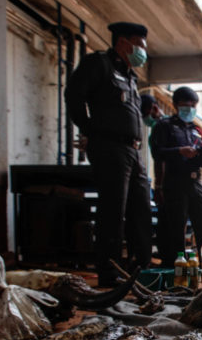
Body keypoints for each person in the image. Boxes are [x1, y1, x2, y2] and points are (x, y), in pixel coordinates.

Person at [65, 21, 152, 287]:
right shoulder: (99, 64)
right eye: (140, 46)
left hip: (133, 151)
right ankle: (109, 272)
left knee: (140, 210)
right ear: (124, 43)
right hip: (110, 148)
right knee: (113, 211)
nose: (142, 52)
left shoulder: (130, 75)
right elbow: (73, 96)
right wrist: (91, 130)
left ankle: (140, 270)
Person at [150, 86, 202, 267]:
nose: (190, 108)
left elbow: (200, 156)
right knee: (175, 228)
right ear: (176, 105)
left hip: (196, 182)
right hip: (175, 182)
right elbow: (157, 152)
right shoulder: (165, 126)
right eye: (187, 105)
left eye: (194, 105)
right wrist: (179, 151)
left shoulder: (197, 130)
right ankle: (176, 269)